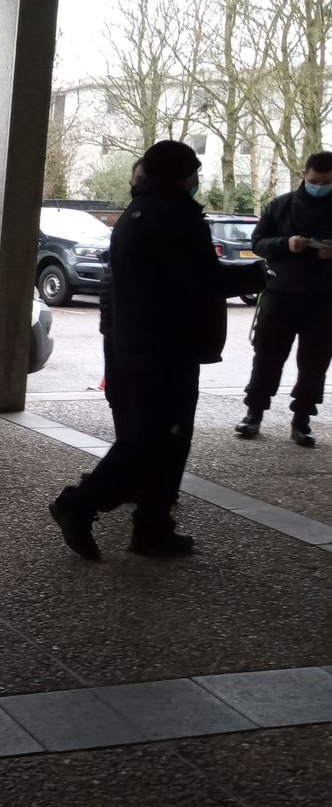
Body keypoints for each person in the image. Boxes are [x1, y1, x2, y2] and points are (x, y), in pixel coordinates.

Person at [49, 141, 266, 560]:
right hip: (166, 347)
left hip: (139, 343)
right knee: (155, 438)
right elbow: (198, 278)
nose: (197, 179)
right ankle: (81, 503)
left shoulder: (136, 212)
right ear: (183, 174)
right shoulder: (174, 214)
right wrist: (254, 276)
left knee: (160, 440)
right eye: (195, 171)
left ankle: (152, 527)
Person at [234, 151, 332, 447]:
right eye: (314, 180)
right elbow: (258, 243)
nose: (318, 186)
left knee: (315, 363)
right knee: (267, 355)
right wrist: (286, 244)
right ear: (304, 174)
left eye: (326, 182)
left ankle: (302, 419)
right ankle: (254, 413)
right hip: (281, 294)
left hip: (324, 299)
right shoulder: (280, 205)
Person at [98, 158, 146, 413]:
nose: (132, 184)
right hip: (132, 334)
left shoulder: (133, 215)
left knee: (125, 411)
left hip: (120, 329)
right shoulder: (146, 215)